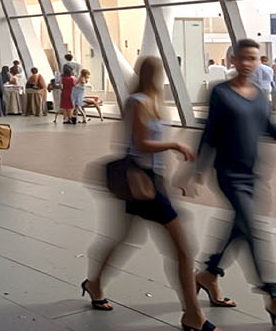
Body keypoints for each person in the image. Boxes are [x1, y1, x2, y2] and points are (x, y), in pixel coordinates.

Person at [184, 38, 276, 327]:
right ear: (233, 61)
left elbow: (270, 130)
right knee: (253, 230)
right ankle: (274, 296)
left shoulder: (260, 95)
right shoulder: (221, 93)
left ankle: (208, 273)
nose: (249, 63)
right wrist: (198, 168)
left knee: (240, 227)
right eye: (244, 58)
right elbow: (210, 132)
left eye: (255, 58)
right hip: (228, 173)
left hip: (252, 175)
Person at [83, 56, 213, 331]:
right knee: (183, 250)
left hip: (148, 183)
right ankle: (193, 315)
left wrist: (166, 179)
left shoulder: (153, 103)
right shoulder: (137, 102)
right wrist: (175, 144)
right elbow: (140, 144)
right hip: (141, 182)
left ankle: (93, 283)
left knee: (122, 239)